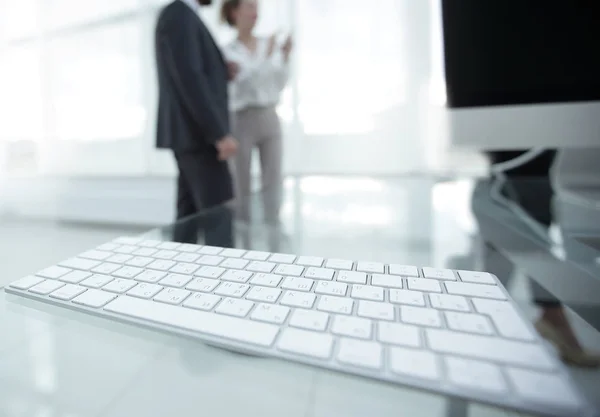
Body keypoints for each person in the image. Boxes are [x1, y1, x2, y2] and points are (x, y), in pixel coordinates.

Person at [486, 149, 600, 367]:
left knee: (514, 238)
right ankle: (553, 319)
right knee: (529, 237)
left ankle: (548, 317)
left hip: (516, 169)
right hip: (519, 166)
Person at [154, 0, 239, 245]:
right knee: (218, 217)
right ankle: (227, 280)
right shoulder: (178, 15)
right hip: (198, 136)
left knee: (188, 217)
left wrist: (221, 70)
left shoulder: (182, 15)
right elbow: (189, 78)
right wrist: (219, 133)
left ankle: (180, 277)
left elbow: (190, 71)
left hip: (190, 135)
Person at [220, 0, 292, 224]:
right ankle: (244, 237)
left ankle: (274, 233)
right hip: (242, 119)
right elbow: (243, 84)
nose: (255, 12)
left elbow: (278, 83)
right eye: (249, 6)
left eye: (256, 7)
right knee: (240, 183)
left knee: (273, 180)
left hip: (269, 116)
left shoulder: (266, 44)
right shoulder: (227, 52)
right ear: (235, 12)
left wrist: (285, 57)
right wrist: (268, 56)